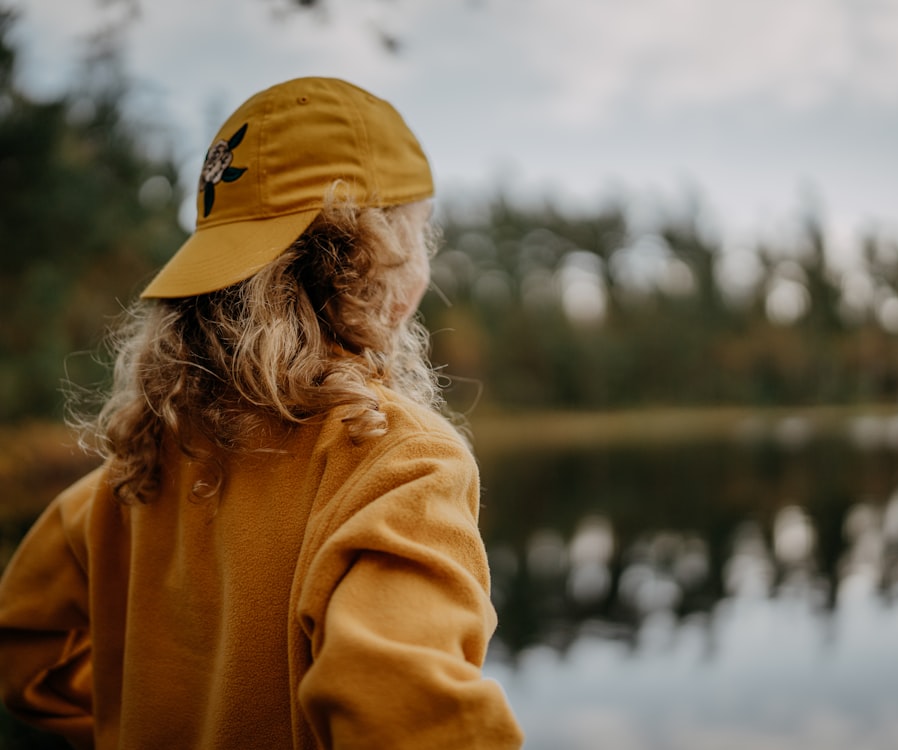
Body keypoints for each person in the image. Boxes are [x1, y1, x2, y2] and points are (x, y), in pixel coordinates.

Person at [0, 77, 524, 749]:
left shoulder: (135, 469)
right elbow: (405, 718)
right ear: (381, 261)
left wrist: (131, 720)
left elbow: (22, 645)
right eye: (423, 233)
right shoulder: (402, 460)